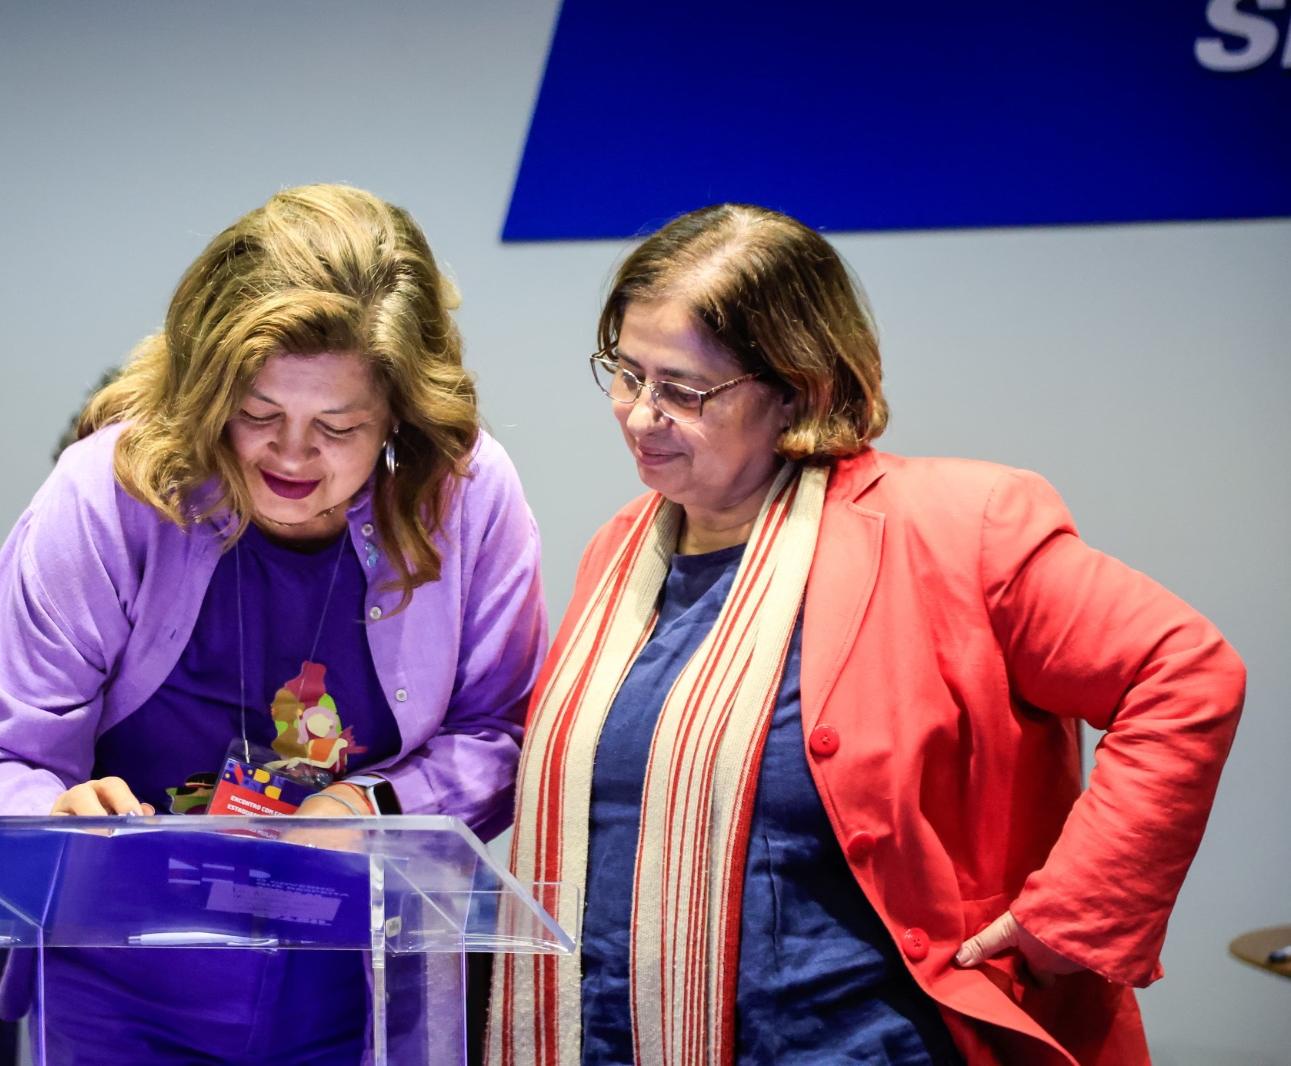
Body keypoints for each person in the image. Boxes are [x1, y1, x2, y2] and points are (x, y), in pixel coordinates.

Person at [489, 204, 1245, 1066]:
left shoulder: (962, 528)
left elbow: (1185, 673)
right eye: (626, 373)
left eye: (682, 391)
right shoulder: (624, 548)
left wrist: (1072, 916)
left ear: (796, 388)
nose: (639, 415)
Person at [0, 183, 547, 1064]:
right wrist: (54, 811)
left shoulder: (463, 493)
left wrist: (371, 803)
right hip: (122, 982)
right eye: (257, 416)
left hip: (363, 984)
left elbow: (503, 732)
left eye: (337, 426)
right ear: (206, 392)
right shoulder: (109, 493)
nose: (291, 456)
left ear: (399, 424)